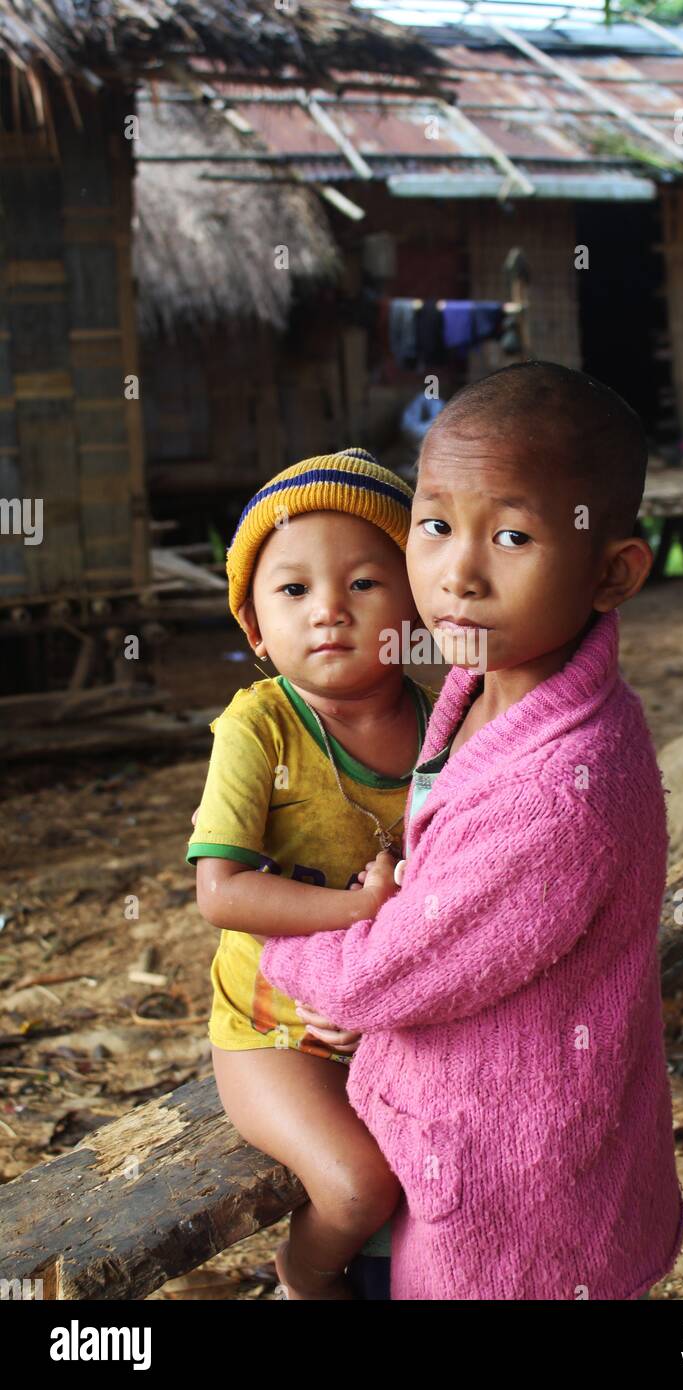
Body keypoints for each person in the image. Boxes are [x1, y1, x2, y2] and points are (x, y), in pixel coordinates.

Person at [257, 362, 683, 1300]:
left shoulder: (558, 796)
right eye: (437, 525)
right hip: (468, 1134)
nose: (459, 572)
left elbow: (389, 970)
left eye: (513, 535)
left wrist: (279, 946)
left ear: (613, 571)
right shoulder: (478, 694)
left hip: (511, 1195)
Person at [187, 448, 437, 1300]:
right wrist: (357, 905)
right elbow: (220, 892)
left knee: (465, 1165)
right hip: (276, 1026)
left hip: (397, 1006)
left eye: (365, 584)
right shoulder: (257, 729)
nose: (329, 610)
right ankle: (304, 1273)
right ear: (255, 628)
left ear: (420, 604)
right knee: (361, 1184)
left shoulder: (447, 724)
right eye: (293, 590)